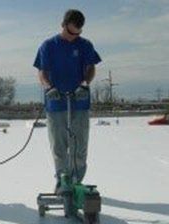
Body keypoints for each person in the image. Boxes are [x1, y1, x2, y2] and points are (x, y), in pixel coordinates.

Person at [33, 9, 101, 193]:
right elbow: (42, 72)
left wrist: (84, 84)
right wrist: (49, 88)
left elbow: (91, 67)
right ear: (63, 25)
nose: (74, 37)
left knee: (79, 146)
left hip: (79, 101)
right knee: (59, 146)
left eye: (78, 33)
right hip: (56, 103)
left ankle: (77, 181)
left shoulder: (85, 45)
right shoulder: (48, 46)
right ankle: (62, 180)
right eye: (71, 32)